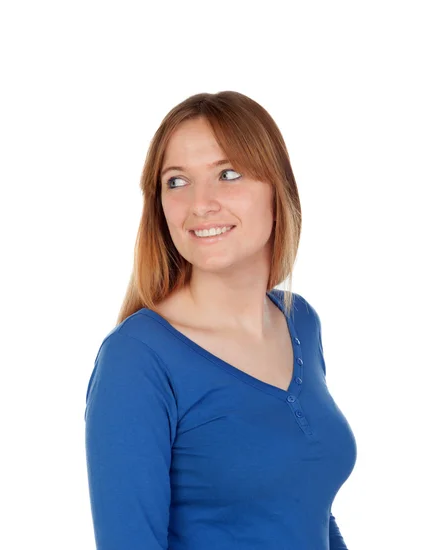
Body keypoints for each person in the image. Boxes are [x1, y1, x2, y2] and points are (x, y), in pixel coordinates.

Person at [84, 90, 357, 549]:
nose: (200, 203)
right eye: (176, 181)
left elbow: (310, 512)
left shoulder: (299, 322)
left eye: (228, 175)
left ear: (278, 190)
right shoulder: (137, 359)